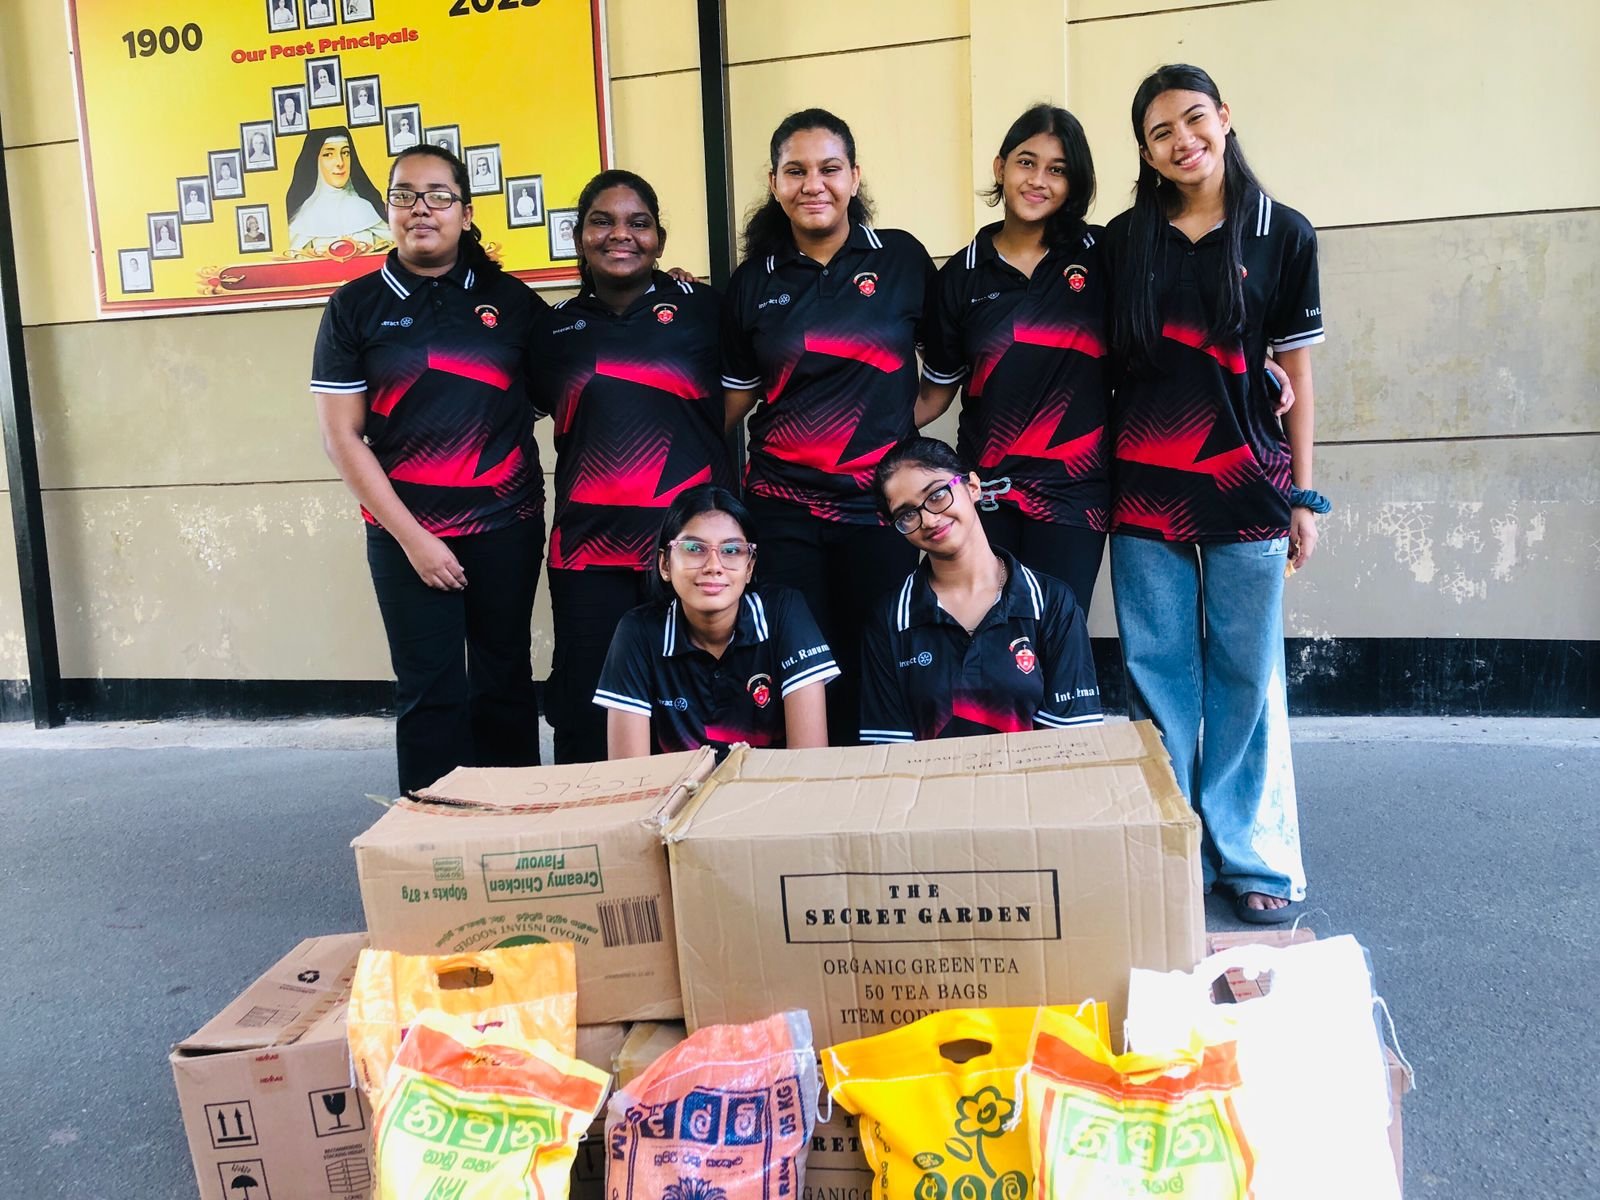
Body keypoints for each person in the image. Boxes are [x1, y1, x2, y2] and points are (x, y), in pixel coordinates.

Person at [1103, 64, 1325, 924]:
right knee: (1157, 674)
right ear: (1146, 152)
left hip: (1249, 486)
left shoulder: (1283, 232)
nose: (1181, 141)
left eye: (1194, 119)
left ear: (1225, 118)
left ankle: (1250, 851)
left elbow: (1298, 371)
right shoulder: (1125, 240)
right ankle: (1178, 847)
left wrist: (1304, 494)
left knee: (1246, 673)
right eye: (1160, 132)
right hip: (1144, 489)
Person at [310, 144, 549, 793]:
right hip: (404, 536)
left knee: (504, 681)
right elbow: (341, 438)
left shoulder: (512, 302)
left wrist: (665, 292)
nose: (421, 209)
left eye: (439, 195)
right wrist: (415, 540)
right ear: (387, 210)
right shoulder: (355, 306)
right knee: (430, 692)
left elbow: (566, 380)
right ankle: (433, 840)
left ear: (466, 213)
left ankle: (516, 827)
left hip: (506, 526)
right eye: (404, 196)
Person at [721, 107, 935, 746]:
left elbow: (946, 371)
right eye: (796, 171)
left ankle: (882, 792)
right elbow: (733, 401)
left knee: (884, 660)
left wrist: (892, 423)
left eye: (829, 169)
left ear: (854, 177)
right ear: (774, 183)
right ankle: (814, 791)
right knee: (804, 670)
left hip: (880, 508)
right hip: (783, 509)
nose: (813, 184)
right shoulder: (752, 282)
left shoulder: (901, 258)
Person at [528, 169, 735, 763]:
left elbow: (745, 390)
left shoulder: (706, 311)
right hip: (587, 552)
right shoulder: (551, 329)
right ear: (579, 237)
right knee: (587, 709)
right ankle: (594, 816)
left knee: (698, 705)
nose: (621, 234)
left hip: (691, 549)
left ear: (660, 240)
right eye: (603, 221)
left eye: (638, 223)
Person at [916, 104, 1109, 610]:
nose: (1038, 180)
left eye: (1057, 169)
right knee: (990, 634)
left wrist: (1259, 359)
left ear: (1073, 182)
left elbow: (1166, 322)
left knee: (1057, 631)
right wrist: (874, 434)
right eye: (1027, 162)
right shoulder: (960, 276)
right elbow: (936, 393)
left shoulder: (1103, 255)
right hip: (985, 494)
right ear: (1000, 167)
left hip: (1074, 495)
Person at [859, 437, 1101, 743]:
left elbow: (1073, 744)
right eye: (907, 514)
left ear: (973, 486)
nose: (929, 519)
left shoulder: (1051, 602)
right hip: (926, 777)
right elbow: (889, 752)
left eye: (937, 495)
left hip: (1036, 775)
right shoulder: (891, 618)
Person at [594, 486, 836, 758]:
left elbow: (809, 764)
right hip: (676, 787)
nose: (714, 566)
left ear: (750, 567)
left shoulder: (784, 612)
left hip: (774, 785)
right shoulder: (637, 632)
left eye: (731, 550)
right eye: (694, 548)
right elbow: (630, 773)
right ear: (664, 564)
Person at [285, 126, 389, 253]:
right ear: (315, 161)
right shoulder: (302, 221)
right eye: (328, 154)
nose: (340, 162)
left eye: (345, 153)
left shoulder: (368, 210)